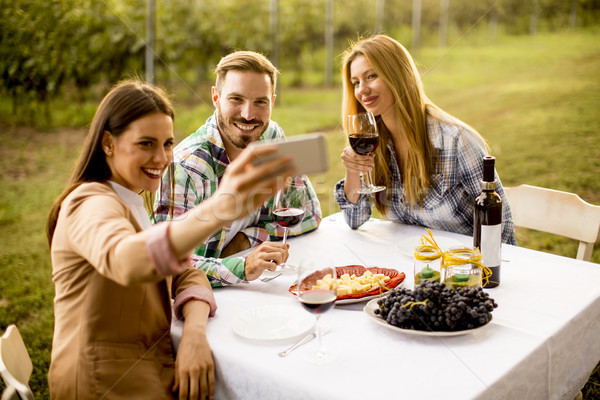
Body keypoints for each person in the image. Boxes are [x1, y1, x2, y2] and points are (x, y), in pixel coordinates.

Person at [46, 80, 295, 399]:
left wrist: (193, 332)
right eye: (146, 144)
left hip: (153, 368)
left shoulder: (129, 199)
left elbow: (185, 272)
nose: (163, 158)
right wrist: (219, 207)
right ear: (108, 143)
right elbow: (127, 261)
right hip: (104, 384)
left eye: (167, 144)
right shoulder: (90, 202)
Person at [154, 51, 322, 287]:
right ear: (216, 97)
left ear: (272, 101)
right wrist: (242, 266)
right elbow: (165, 266)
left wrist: (246, 239)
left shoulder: (272, 135)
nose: (248, 114)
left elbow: (310, 213)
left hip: (261, 289)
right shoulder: (187, 167)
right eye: (236, 99)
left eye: (260, 102)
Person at [334, 35, 517, 244]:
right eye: (355, 83)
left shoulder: (457, 141)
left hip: (462, 267)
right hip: (412, 265)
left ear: (398, 76)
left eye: (371, 76)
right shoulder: (374, 144)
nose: (361, 90)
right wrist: (352, 169)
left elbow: (501, 229)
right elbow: (354, 219)